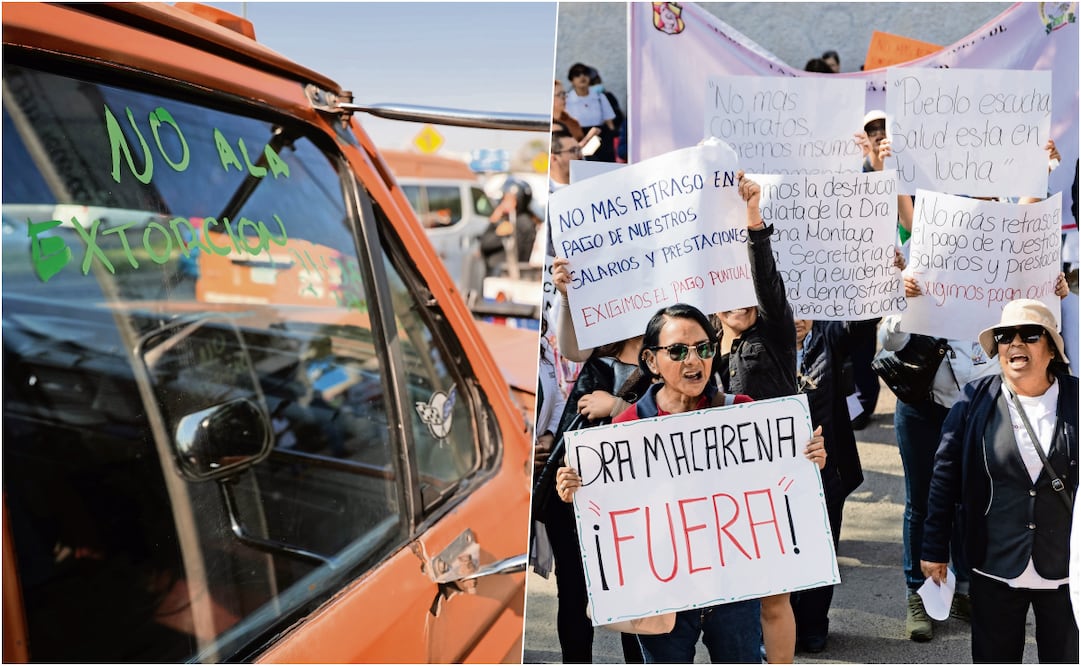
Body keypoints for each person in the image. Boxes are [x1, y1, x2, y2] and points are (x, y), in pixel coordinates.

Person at [554, 302, 827, 664]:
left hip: (733, 592)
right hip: (662, 598)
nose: (693, 361)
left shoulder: (741, 412)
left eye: (704, 348)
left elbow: (777, 488)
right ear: (651, 361)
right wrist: (574, 489)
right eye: (678, 351)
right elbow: (608, 512)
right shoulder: (625, 430)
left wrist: (807, 461)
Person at [920, 299, 1078, 663]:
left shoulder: (1076, 399)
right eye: (1006, 336)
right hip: (994, 563)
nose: (1015, 344)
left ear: (1051, 348)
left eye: (1031, 335)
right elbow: (944, 475)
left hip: (1066, 569)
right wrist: (933, 548)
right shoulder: (975, 400)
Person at [710, 171, 799, 663]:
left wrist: (752, 218)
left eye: (746, 291)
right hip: (722, 484)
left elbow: (765, 279)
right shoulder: (696, 352)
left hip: (774, 475)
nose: (740, 301)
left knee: (773, 596)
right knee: (729, 600)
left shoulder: (774, 334)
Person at [788, 318, 865, 654]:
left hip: (827, 467)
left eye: (806, 309)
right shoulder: (761, 346)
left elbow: (861, 320)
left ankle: (814, 626)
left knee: (823, 547)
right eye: (789, 308)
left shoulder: (829, 337)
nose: (797, 320)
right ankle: (781, 625)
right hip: (776, 471)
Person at [564, 62, 617, 163]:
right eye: (577, 75)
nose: (582, 77)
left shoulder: (600, 97)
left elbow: (609, 123)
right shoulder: (567, 100)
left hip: (601, 140)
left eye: (585, 73)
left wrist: (611, 139)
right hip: (577, 139)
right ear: (571, 80)